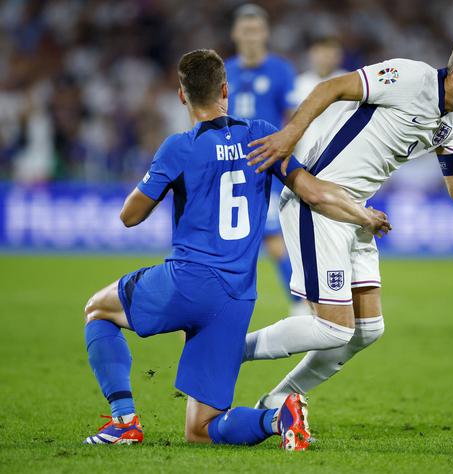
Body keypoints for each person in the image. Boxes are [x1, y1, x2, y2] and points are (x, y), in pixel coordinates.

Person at [81, 49, 390, 449]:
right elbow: (313, 192)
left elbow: (130, 216)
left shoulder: (179, 147)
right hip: (235, 298)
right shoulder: (261, 135)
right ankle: (279, 418)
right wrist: (361, 214)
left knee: (98, 311)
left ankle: (124, 422)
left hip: (187, 282)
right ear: (226, 89)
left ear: (181, 96)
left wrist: (160, 174)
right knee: (200, 431)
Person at [241, 33, 453, 410]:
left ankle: (278, 401)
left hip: (357, 212)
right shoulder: (408, 77)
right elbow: (331, 87)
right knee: (332, 327)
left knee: (367, 330)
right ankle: (225, 351)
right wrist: (289, 136)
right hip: (319, 203)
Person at [225, 4, 304, 313]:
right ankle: (214, 309)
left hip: (267, 168)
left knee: (273, 241)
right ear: (235, 33)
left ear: (266, 33)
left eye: (257, 30)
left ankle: (300, 305)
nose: (252, 37)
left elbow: (293, 119)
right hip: (230, 169)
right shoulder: (225, 71)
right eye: (246, 30)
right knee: (229, 244)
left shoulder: (281, 70)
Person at [291, 35, 347, 159]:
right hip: (305, 153)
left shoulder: (348, 81)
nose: (325, 58)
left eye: (331, 53)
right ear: (311, 54)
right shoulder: (299, 83)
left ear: (339, 56)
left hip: (339, 155)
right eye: (321, 52)